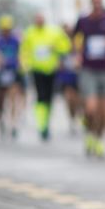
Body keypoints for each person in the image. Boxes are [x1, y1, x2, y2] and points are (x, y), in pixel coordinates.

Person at [73, 0, 105, 158]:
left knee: (103, 110)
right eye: (94, 1)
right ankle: (90, 133)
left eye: (99, 1)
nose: (97, 4)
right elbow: (75, 39)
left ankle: (99, 138)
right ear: (91, 3)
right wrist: (78, 54)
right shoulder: (83, 21)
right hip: (88, 69)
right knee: (91, 109)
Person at [19, 12, 71, 141]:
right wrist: (25, 65)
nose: (39, 21)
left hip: (51, 70)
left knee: (49, 98)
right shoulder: (29, 33)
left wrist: (56, 48)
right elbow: (24, 50)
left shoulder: (54, 32)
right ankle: (42, 125)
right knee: (40, 97)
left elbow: (66, 46)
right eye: (37, 19)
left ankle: (46, 123)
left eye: (41, 19)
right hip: (37, 70)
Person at [0, 15, 24, 139]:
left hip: (12, 72)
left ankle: (13, 124)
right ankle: (1, 118)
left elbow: (22, 54)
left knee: (13, 98)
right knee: (0, 98)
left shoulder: (16, 40)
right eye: (4, 29)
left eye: (8, 29)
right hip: (1, 73)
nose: (6, 32)